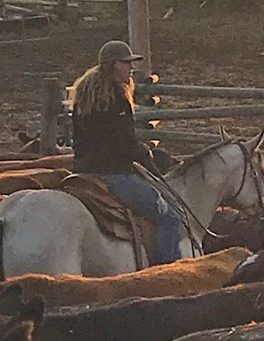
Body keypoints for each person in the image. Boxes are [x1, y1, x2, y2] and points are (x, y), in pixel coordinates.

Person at [68, 40, 183, 265]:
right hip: (113, 175)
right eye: (125, 63)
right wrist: (144, 153)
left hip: (83, 173)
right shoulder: (117, 98)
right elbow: (124, 143)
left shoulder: (85, 96)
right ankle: (169, 274)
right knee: (169, 218)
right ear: (112, 65)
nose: (130, 68)